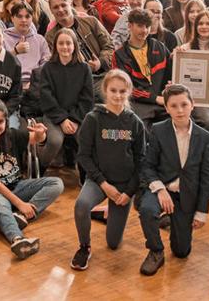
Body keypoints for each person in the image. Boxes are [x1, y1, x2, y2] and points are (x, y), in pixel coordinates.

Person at [0, 99, 63, 259]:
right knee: (0, 203)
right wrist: (20, 203)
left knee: (56, 183)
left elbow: (37, 138)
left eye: (1, 121)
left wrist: (41, 133)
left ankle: (21, 216)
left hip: (17, 186)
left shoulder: (11, 134)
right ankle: (18, 239)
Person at [71, 69, 146, 270]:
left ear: (129, 91)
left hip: (123, 187)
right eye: (113, 90)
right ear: (105, 90)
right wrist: (104, 184)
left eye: (122, 91)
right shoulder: (93, 119)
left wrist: (129, 192)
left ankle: (103, 213)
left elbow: (141, 161)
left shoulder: (135, 123)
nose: (118, 95)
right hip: (98, 181)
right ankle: (84, 247)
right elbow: (83, 156)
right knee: (81, 205)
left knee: (113, 244)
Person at [136, 84, 209, 276]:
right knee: (147, 209)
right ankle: (156, 251)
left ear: (192, 105)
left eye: (184, 104)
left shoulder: (204, 137)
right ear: (167, 108)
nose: (179, 110)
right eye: (174, 106)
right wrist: (160, 189)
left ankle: (172, 220)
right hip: (161, 188)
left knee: (181, 252)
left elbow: (206, 177)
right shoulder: (158, 130)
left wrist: (202, 212)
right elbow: (147, 165)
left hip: (185, 194)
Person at [36, 27, 95, 169]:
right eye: (61, 43)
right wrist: (62, 120)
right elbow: (46, 97)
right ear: (55, 46)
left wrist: (74, 120)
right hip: (54, 116)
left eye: (68, 43)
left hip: (77, 117)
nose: (65, 47)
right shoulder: (48, 68)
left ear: (74, 46)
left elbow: (87, 99)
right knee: (55, 141)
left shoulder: (84, 68)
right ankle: (39, 168)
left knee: (85, 140)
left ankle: (84, 175)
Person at [113, 9, 170, 124]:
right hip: (137, 103)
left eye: (147, 26)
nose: (144, 30)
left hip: (163, 100)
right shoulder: (119, 55)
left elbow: (172, 72)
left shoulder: (160, 47)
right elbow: (125, 89)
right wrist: (154, 98)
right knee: (140, 129)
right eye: (140, 26)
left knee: (184, 119)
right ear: (129, 26)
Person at [3, 0, 49, 90]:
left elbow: (46, 64)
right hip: (9, 84)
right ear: (12, 18)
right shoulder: (3, 38)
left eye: (27, 16)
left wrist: (34, 82)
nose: (24, 20)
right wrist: (15, 51)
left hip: (35, 84)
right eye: (19, 16)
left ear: (32, 18)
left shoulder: (40, 39)